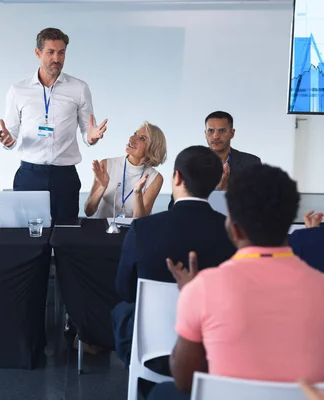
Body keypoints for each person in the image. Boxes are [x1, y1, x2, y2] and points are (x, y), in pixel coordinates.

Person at [149, 164, 324, 400]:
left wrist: (189, 296)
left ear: (233, 228)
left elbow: (185, 379)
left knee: (161, 393)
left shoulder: (202, 288)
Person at [112, 146, 236, 395]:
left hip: (150, 352)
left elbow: (124, 289)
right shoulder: (232, 233)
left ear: (177, 177)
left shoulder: (143, 229)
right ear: (216, 182)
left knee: (122, 309)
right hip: (213, 350)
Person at [0, 27, 108, 221]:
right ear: (38, 53)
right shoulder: (18, 90)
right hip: (30, 174)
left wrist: (91, 137)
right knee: (28, 239)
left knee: (65, 237)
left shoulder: (79, 88)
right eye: (51, 52)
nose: (57, 58)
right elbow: (11, 133)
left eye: (61, 52)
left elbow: (87, 131)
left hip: (64, 176)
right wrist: (7, 140)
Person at [167, 111, 261, 209]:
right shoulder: (190, 162)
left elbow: (257, 205)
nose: (215, 136)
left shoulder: (251, 163)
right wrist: (217, 191)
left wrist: (225, 192)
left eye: (221, 131)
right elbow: (174, 207)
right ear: (205, 133)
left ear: (232, 133)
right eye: (211, 131)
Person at [84, 121, 167, 218]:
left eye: (142, 139)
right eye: (135, 133)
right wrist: (102, 186)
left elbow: (140, 222)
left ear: (152, 148)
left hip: (131, 231)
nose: (132, 138)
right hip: (102, 229)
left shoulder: (155, 178)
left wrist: (138, 194)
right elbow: (88, 211)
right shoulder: (106, 164)